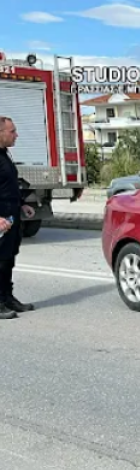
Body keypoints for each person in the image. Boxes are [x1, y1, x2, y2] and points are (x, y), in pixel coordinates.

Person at [0, 116, 37, 319]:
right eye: (12, 131)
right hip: (1, 217)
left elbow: (7, 185)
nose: (16, 135)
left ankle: (7, 297)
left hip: (12, 213)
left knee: (8, 257)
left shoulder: (5, 154)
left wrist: (22, 204)